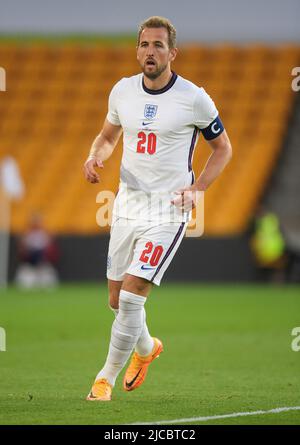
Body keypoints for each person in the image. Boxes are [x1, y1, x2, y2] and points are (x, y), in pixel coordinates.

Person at [83, 16, 232, 401]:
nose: (151, 52)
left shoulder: (194, 97)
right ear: (137, 50)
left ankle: (105, 379)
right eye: (145, 45)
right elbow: (107, 136)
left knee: (132, 297)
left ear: (172, 53)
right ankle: (147, 349)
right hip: (126, 207)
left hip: (167, 211)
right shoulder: (122, 92)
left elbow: (223, 149)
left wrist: (198, 189)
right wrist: (95, 156)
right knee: (116, 301)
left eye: (159, 45)